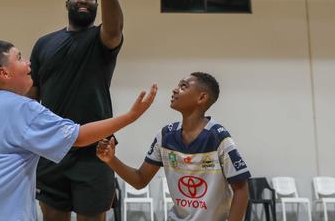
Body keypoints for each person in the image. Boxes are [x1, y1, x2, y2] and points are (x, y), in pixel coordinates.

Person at [0, 40, 157, 221]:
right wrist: (130, 117)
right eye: (19, 58)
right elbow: (78, 137)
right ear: (5, 73)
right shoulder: (20, 108)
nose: (29, 63)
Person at [27, 0, 130, 221]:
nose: (83, 0)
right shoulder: (44, 44)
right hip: (52, 150)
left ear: (97, 5)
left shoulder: (101, 39)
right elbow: (32, 94)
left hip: (95, 152)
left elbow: (115, 27)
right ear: (67, 3)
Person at [96, 72, 251, 221]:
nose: (175, 89)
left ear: (202, 97)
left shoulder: (218, 137)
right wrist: (110, 159)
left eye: (183, 86)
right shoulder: (165, 136)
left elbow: (241, 190)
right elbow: (140, 180)